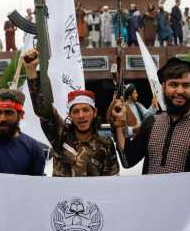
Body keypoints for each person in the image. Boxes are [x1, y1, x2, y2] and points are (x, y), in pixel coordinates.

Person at [111, 57, 190, 174]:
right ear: (163, 87)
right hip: (152, 192)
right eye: (173, 85)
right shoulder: (151, 122)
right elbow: (128, 160)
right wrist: (119, 125)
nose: (180, 91)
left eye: (185, 85)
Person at [23, 48, 119, 177]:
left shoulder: (105, 144)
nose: (81, 116)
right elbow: (43, 110)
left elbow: (113, 182)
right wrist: (31, 70)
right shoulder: (60, 135)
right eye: (76, 111)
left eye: (86, 110)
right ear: (70, 115)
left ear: (94, 112)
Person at [0, 89, 45, 175]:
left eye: (9, 113)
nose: (2, 118)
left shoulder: (34, 149)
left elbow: (36, 185)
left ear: (21, 115)